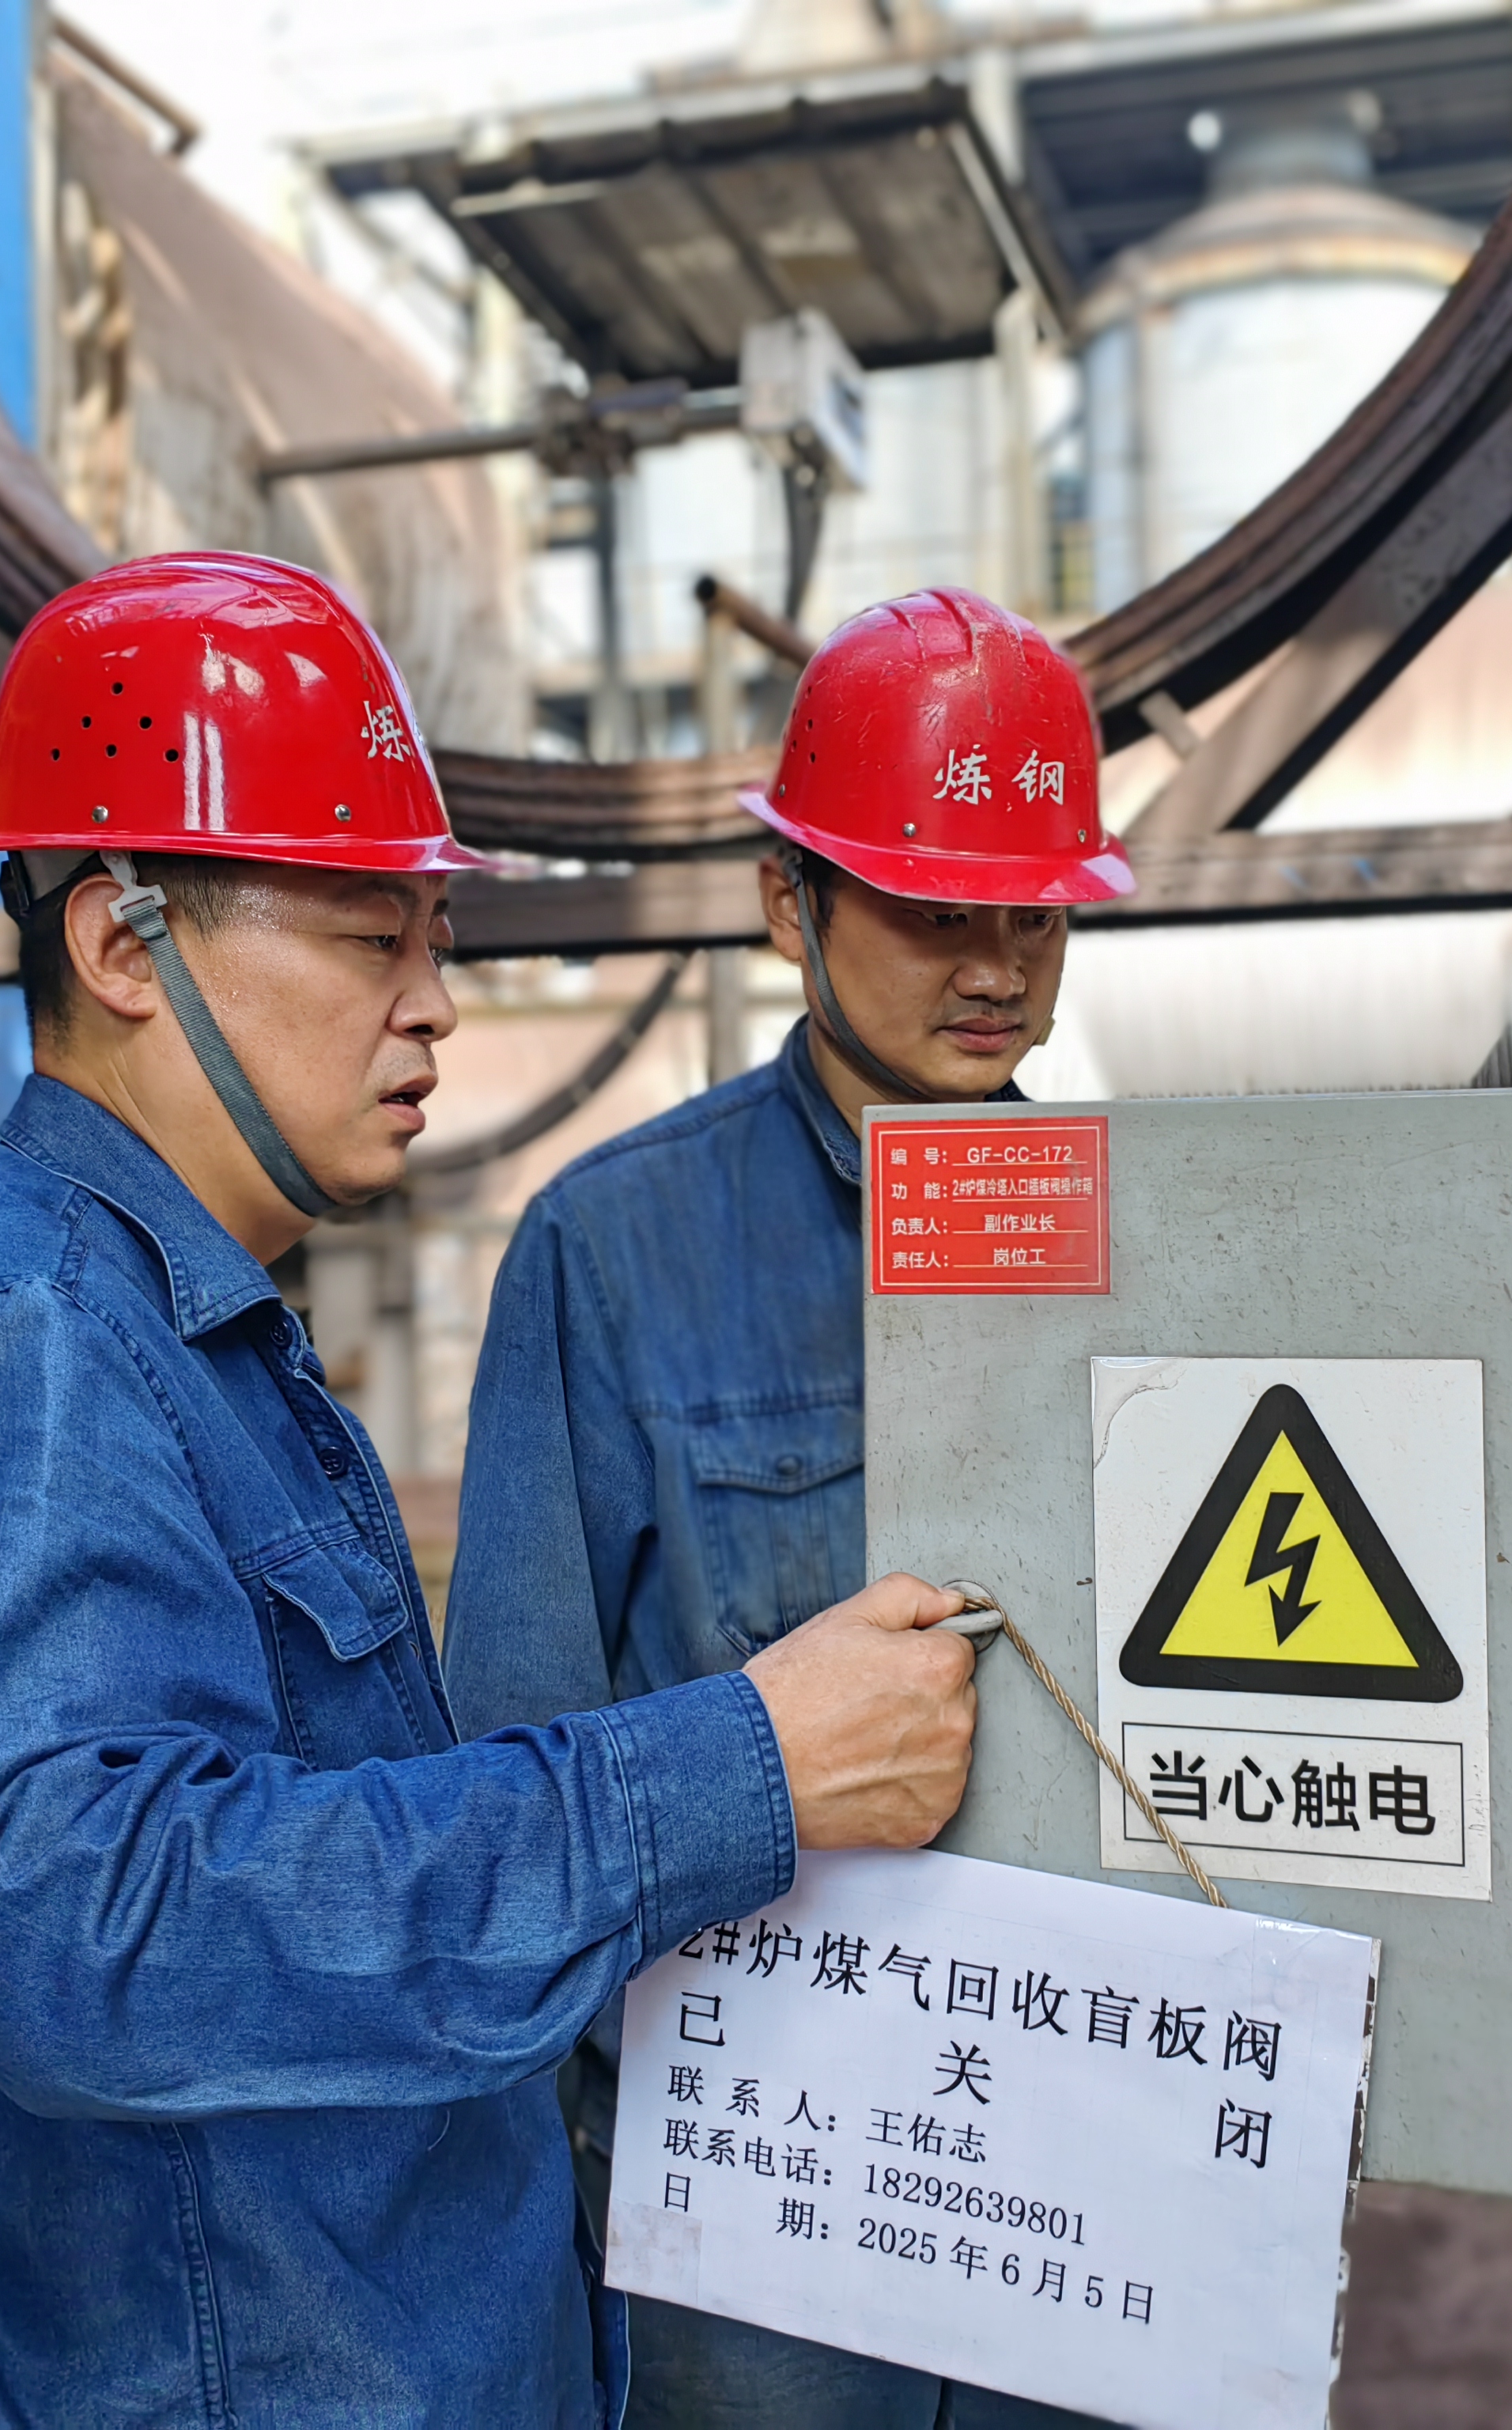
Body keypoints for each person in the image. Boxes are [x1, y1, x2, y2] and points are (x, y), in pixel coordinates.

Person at [0, 552, 984, 2424]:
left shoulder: (187, 1332)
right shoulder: (18, 1343)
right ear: (121, 944)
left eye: (433, 939)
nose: (435, 1008)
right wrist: (740, 1768)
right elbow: (89, 1932)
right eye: (362, 936)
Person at [444, 586, 1135, 2428]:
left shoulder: (1157, 1239)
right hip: (759, 2245)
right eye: (931, 904)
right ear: (788, 905)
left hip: (1079, 2188)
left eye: (1038, 909)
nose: (995, 960)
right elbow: (515, 1777)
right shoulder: (610, 1255)